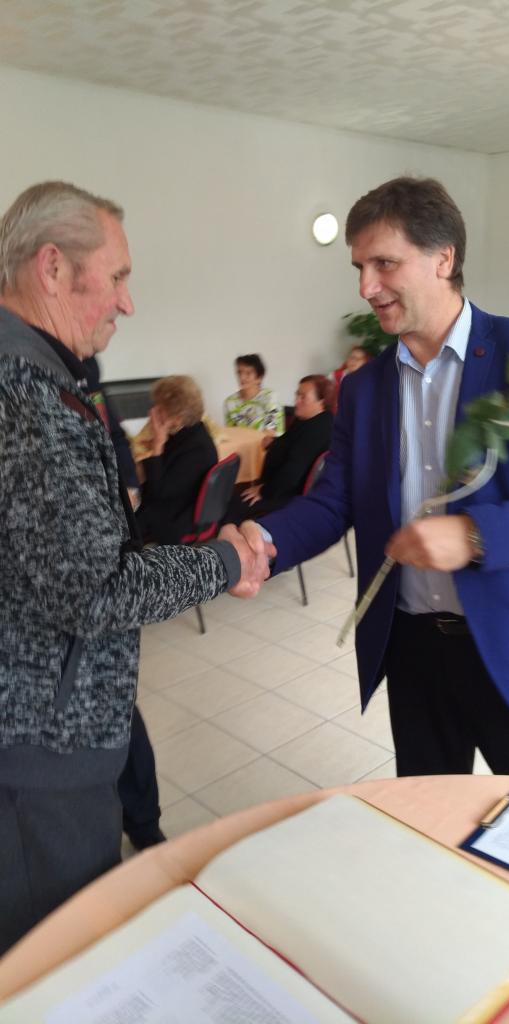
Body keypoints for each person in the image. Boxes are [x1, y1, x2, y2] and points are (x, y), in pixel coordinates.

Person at [222, 175, 509, 781]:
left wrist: (476, 535)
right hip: (411, 647)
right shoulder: (363, 389)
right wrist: (264, 540)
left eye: (384, 263)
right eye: (360, 267)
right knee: (427, 817)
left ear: (443, 259)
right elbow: (334, 502)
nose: (366, 287)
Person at [0, 181, 271, 953]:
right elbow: (96, 593)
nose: (128, 301)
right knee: (50, 959)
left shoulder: (40, 375)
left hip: (37, 735)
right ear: (53, 267)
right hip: (40, 752)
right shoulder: (27, 390)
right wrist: (221, 560)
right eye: (117, 277)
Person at [83, 356, 165, 850]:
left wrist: (129, 485)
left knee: (118, 710)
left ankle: (143, 824)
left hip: (99, 572)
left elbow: (111, 432)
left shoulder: (80, 367)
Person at [224, 374, 334, 524]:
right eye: (297, 395)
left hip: (285, 495)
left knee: (229, 504)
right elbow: (291, 443)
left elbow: (292, 473)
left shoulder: (316, 430)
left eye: (303, 397)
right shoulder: (310, 420)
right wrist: (273, 443)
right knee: (233, 494)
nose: (296, 401)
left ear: (322, 401)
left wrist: (264, 491)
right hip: (278, 486)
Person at [135, 375, 218, 545]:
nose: (153, 411)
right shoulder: (190, 432)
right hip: (174, 503)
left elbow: (158, 492)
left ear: (178, 417)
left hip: (174, 518)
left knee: (119, 521)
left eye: (160, 408)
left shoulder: (197, 449)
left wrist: (158, 444)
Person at [224, 353, 284, 435]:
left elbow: (270, 434)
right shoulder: (229, 402)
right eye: (239, 372)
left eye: (248, 373)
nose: (242, 377)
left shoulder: (270, 398)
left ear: (259, 377)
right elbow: (231, 433)